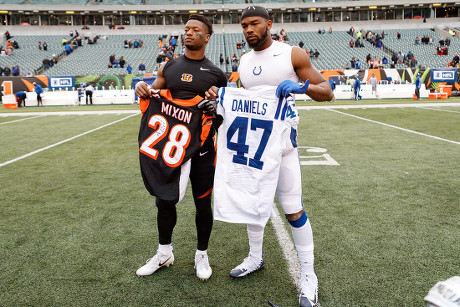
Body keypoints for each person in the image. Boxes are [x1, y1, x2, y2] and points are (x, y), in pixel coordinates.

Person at [204, 6, 332, 307]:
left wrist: (303, 88)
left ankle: (309, 276)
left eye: (254, 23)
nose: (248, 29)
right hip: (254, 147)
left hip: (284, 145)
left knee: (292, 209)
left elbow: (327, 91)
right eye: (244, 25)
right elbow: (244, 102)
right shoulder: (245, 60)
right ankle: (255, 257)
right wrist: (219, 103)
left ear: (269, 24)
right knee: (253, 200)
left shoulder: (292, 54)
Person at [134, 14, 227, 281]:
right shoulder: (169, 67)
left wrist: (216, 107)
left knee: (202, 203)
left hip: (202, 150)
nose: (188, 33)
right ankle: (164, 253)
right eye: (186, 29)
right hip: (170, 148)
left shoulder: (216, 74)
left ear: (206, 37)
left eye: (195, 30)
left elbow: (224, 114)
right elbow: (153, 96)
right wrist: (143, 88)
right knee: (163, 200)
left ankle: (201, 255)